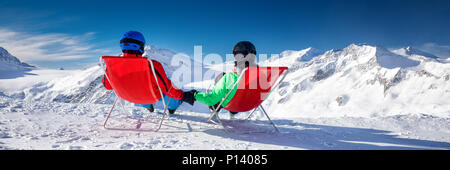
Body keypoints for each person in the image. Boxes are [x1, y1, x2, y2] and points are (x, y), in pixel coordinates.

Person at [102, 31, 195, 114]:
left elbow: (108, 86)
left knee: (137, 86)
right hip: (151, 97)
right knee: (167, 88)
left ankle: (147, 107)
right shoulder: (151, 65)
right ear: (141, 47)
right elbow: (167, 88)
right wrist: (184, 96)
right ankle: (171, 108)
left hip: (127, 97)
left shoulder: (112, 65)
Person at [183, 41, 258, 119]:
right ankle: (232, 115)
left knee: (218, 95)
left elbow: (211, 99)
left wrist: (195, 94)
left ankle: (214, 112)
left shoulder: (230, 77)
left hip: (232, 105)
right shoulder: (260, 76)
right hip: (247, 105)